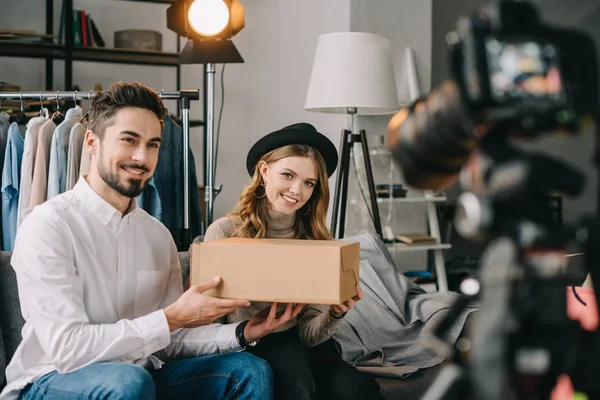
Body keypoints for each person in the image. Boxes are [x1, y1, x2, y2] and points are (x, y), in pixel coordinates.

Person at [0, 81, 299, 400]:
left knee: (248, 369)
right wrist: (170, 318)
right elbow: (67, 349)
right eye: (129, 140)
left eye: (153, 144)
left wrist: (245, 331)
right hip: (52, 379)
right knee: (128, 382)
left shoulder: (157, 235)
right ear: (92, 142)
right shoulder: (48, 225)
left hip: (139, 374)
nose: (142, 157)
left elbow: (171, 338)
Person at [204, 122, 386, 400]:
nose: (296, 190)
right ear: (264, 171)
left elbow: (309, 335)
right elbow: (211, 324)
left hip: (305, 345)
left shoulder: (316, 241)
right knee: (292, 369)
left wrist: (334, 314)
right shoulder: (225, 232)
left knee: (357, 389)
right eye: (287, 175)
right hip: (249, 342)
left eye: (308, 183)